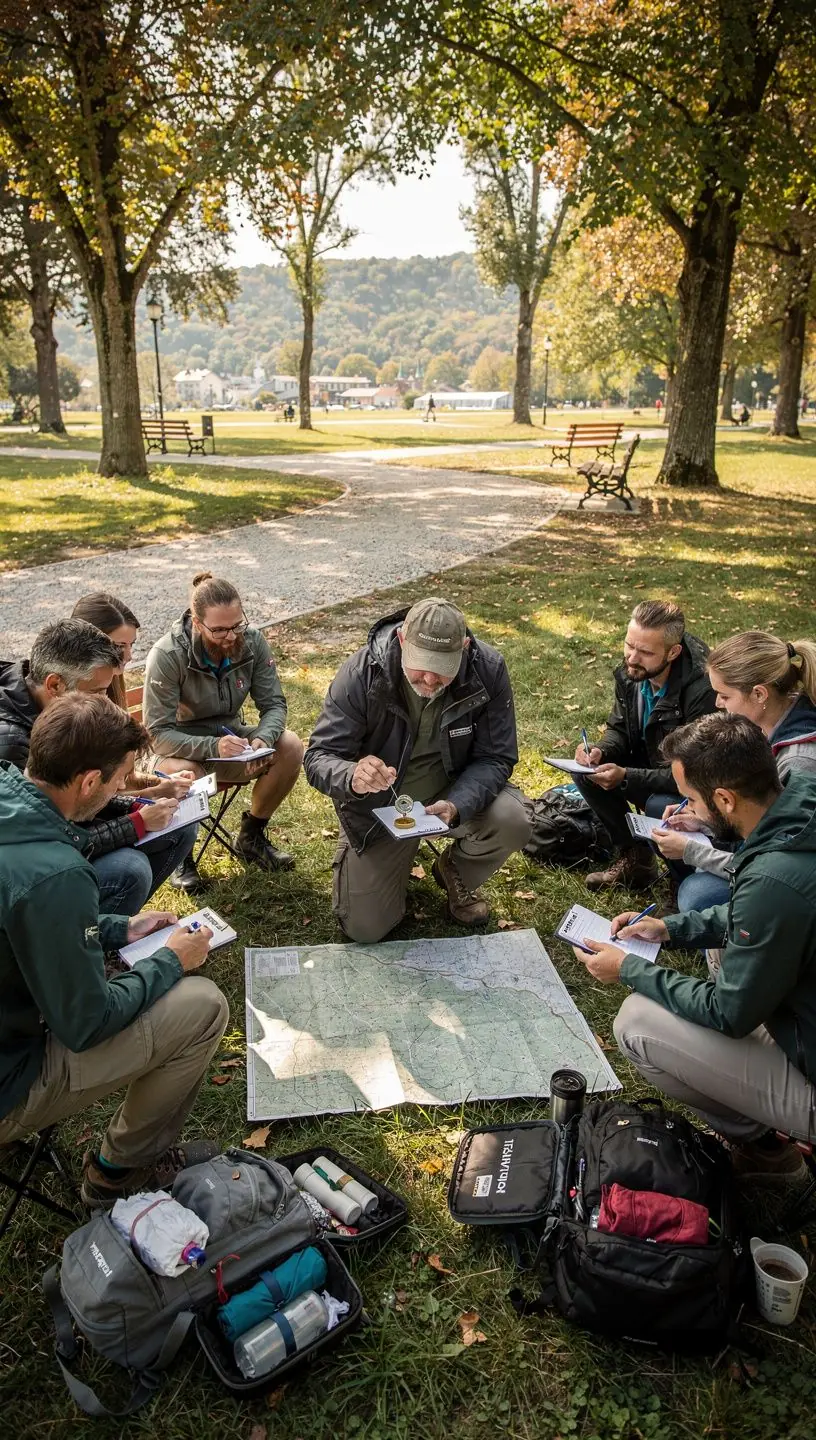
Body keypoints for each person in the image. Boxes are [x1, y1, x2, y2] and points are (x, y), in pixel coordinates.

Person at [0, 693, 228, 1207]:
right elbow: (86, 1024)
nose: (123, 788)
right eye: (119, 778)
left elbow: (20, 918)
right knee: (204, 1007)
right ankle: (116, 1173)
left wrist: (115, 929)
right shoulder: (55, 872)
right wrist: (172, 960)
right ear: (87, 781)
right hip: (8, 1081)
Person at [573, 712, 816, 1181]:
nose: (686, 812)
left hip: (807, 1064)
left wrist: (629, 970)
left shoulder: (773, 880)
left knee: (636, 1023)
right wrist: (671, 929)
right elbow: (762, 919)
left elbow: (730, 1013)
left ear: (725, 798)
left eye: (692, 800)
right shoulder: (798, 809)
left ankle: (766, 1149)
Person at [304, 597, 530, 941]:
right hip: (381, 807)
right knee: (365, 929)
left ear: (465, 648)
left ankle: (455, 869)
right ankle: (386, 866)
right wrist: (352, 776)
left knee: (513, 820)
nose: (429, 678)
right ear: (402, 641)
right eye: (420, 663)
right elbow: (319, 756)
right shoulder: (362, 672)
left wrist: (457, 805)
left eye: (442, 667)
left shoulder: (488, 669)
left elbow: (496, 757)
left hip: (452, 793)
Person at [0, 620, 196, 914]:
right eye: (97, 691)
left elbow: (81, 795)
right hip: (35, 875)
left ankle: (116, 927)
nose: (106, 703)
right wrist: (137, 822)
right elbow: (54, 838)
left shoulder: (46, 705)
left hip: (63, 840)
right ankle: (96, 939)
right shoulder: (13, 743)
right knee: (130, 870)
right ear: (54, 685)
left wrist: (142, 800)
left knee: (179, 827)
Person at [143, 571, 304, 887]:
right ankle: (181, 854)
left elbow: (273, 705)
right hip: (177, 750)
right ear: (197, 622)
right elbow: (158, 734)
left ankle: (252, 836)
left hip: (230, 739)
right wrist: (213, 748)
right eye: (219, 630)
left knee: (291, 746)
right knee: (186, 771)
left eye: (236, 626)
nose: (230, 636)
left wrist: (261, 739)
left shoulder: (253, 642)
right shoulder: (168, 654)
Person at [654, 632, 816, 912]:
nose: (717, 703)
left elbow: (774, 863)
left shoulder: (799, 766)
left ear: (759, 694)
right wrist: (704, 821)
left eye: (725, 695)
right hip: (763, 852)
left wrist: (693, 851)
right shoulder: (773, 720)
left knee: (697, 895)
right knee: (659, 807)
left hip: (788, 882)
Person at [572, 600, 716, 891]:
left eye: (645, 652)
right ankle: (635, 858)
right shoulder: (635, 671)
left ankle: (683, 883)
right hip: (652, 761)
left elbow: (693, 774)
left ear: (673, 652)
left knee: (658, 805)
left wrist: (627, 777)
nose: (632, 658)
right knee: (585, 771)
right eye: (629, 645)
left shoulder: (703, 690)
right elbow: (620, 729)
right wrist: (601, 750)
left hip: (695, 783)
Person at [71, 590, 199, 804]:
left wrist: (159, 783)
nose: (129, 656)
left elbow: (122, 780)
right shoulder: (71, 703)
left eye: (131, 645)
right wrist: (152, 794)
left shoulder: (112, 683)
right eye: (119, 646)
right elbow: (85, 800)